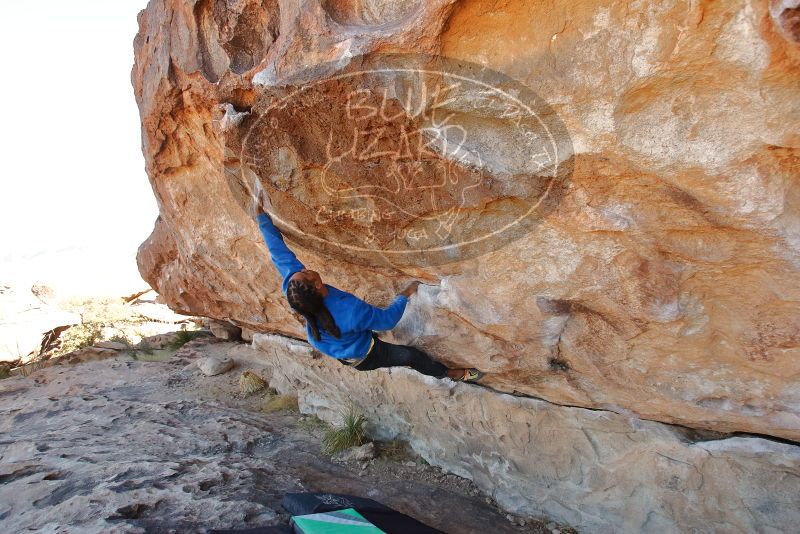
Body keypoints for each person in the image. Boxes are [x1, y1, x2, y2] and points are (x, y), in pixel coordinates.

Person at [254, 206, 483, 382]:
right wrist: (405, 293)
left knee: (363, 329)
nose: (304, 269)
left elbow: (280, 256)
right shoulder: (349, 312)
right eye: (305, 273)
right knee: (411, 357)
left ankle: (365, 337)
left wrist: (262, 219)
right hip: (365, 355)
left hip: (343, 345)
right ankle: (451, 374)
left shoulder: (297, 294)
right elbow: (387, 321)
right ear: (316, 285)